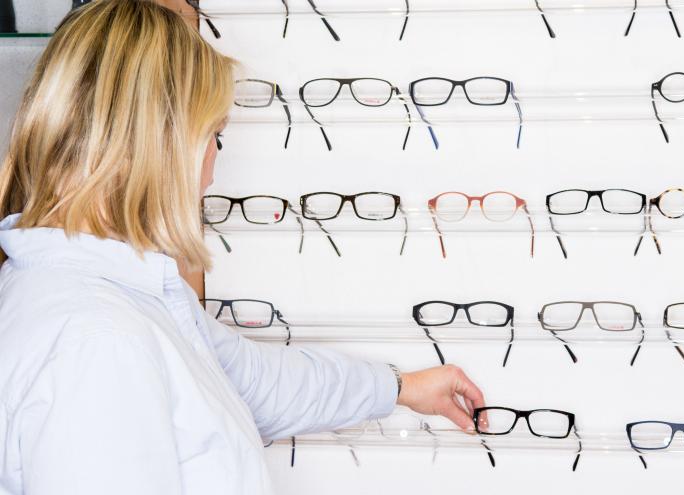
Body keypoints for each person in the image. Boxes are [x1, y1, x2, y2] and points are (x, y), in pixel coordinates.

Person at [0, 1, 485, 494]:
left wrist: (400, 388)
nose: (214, 163)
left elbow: (255, 381)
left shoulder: (110, 293)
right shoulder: (97, 345)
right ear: (159, 143)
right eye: (214, 135)